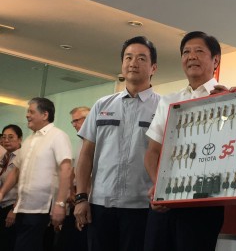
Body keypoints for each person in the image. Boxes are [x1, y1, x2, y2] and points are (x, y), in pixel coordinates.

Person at [74, 36, 160, 251]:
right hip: (100, 204)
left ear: (153, 67)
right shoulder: (102, 105)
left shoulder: (164, 107)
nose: (133, 63)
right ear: (122, 64)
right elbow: (86, 154)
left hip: (143, 206)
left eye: (141, 58)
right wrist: (81, 197)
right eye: (128, 57)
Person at [144, 31, 224, 251]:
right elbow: (152, 151)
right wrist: (158, 188)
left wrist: (229, 102)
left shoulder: (229, 97)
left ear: (215, 60)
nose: (191, 56)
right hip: (166, 203)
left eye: (199, 51)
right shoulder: (169, 101)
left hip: (204, 203)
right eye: (186, 52)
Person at [0, 97, 73, 251]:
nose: (27, 115)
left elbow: (66, 169)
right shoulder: (28, 140)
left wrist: (60, 204)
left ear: (45, 115)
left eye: (31, 111)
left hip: (41, 208)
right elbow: (16, 170)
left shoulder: (58, 136)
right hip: (22, 207)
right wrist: (2, 193)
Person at [55, 107, 90, 251]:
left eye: (77, 120)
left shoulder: (95, 141)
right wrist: (70, 192)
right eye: (72, 122)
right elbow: (74, 171)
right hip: (76, 196)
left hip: (89, 198)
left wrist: (83, 197)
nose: (74, 124)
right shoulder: (80, 142)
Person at [0, 124, 23, 251]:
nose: (6, 140)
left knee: (8, 243)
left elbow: (24, 186)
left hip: (13, 207)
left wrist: (14, 210)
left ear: (20, 139)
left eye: (10, 137)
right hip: (3, 204)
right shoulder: (5, 157)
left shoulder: (22, 157)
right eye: (4, 137)